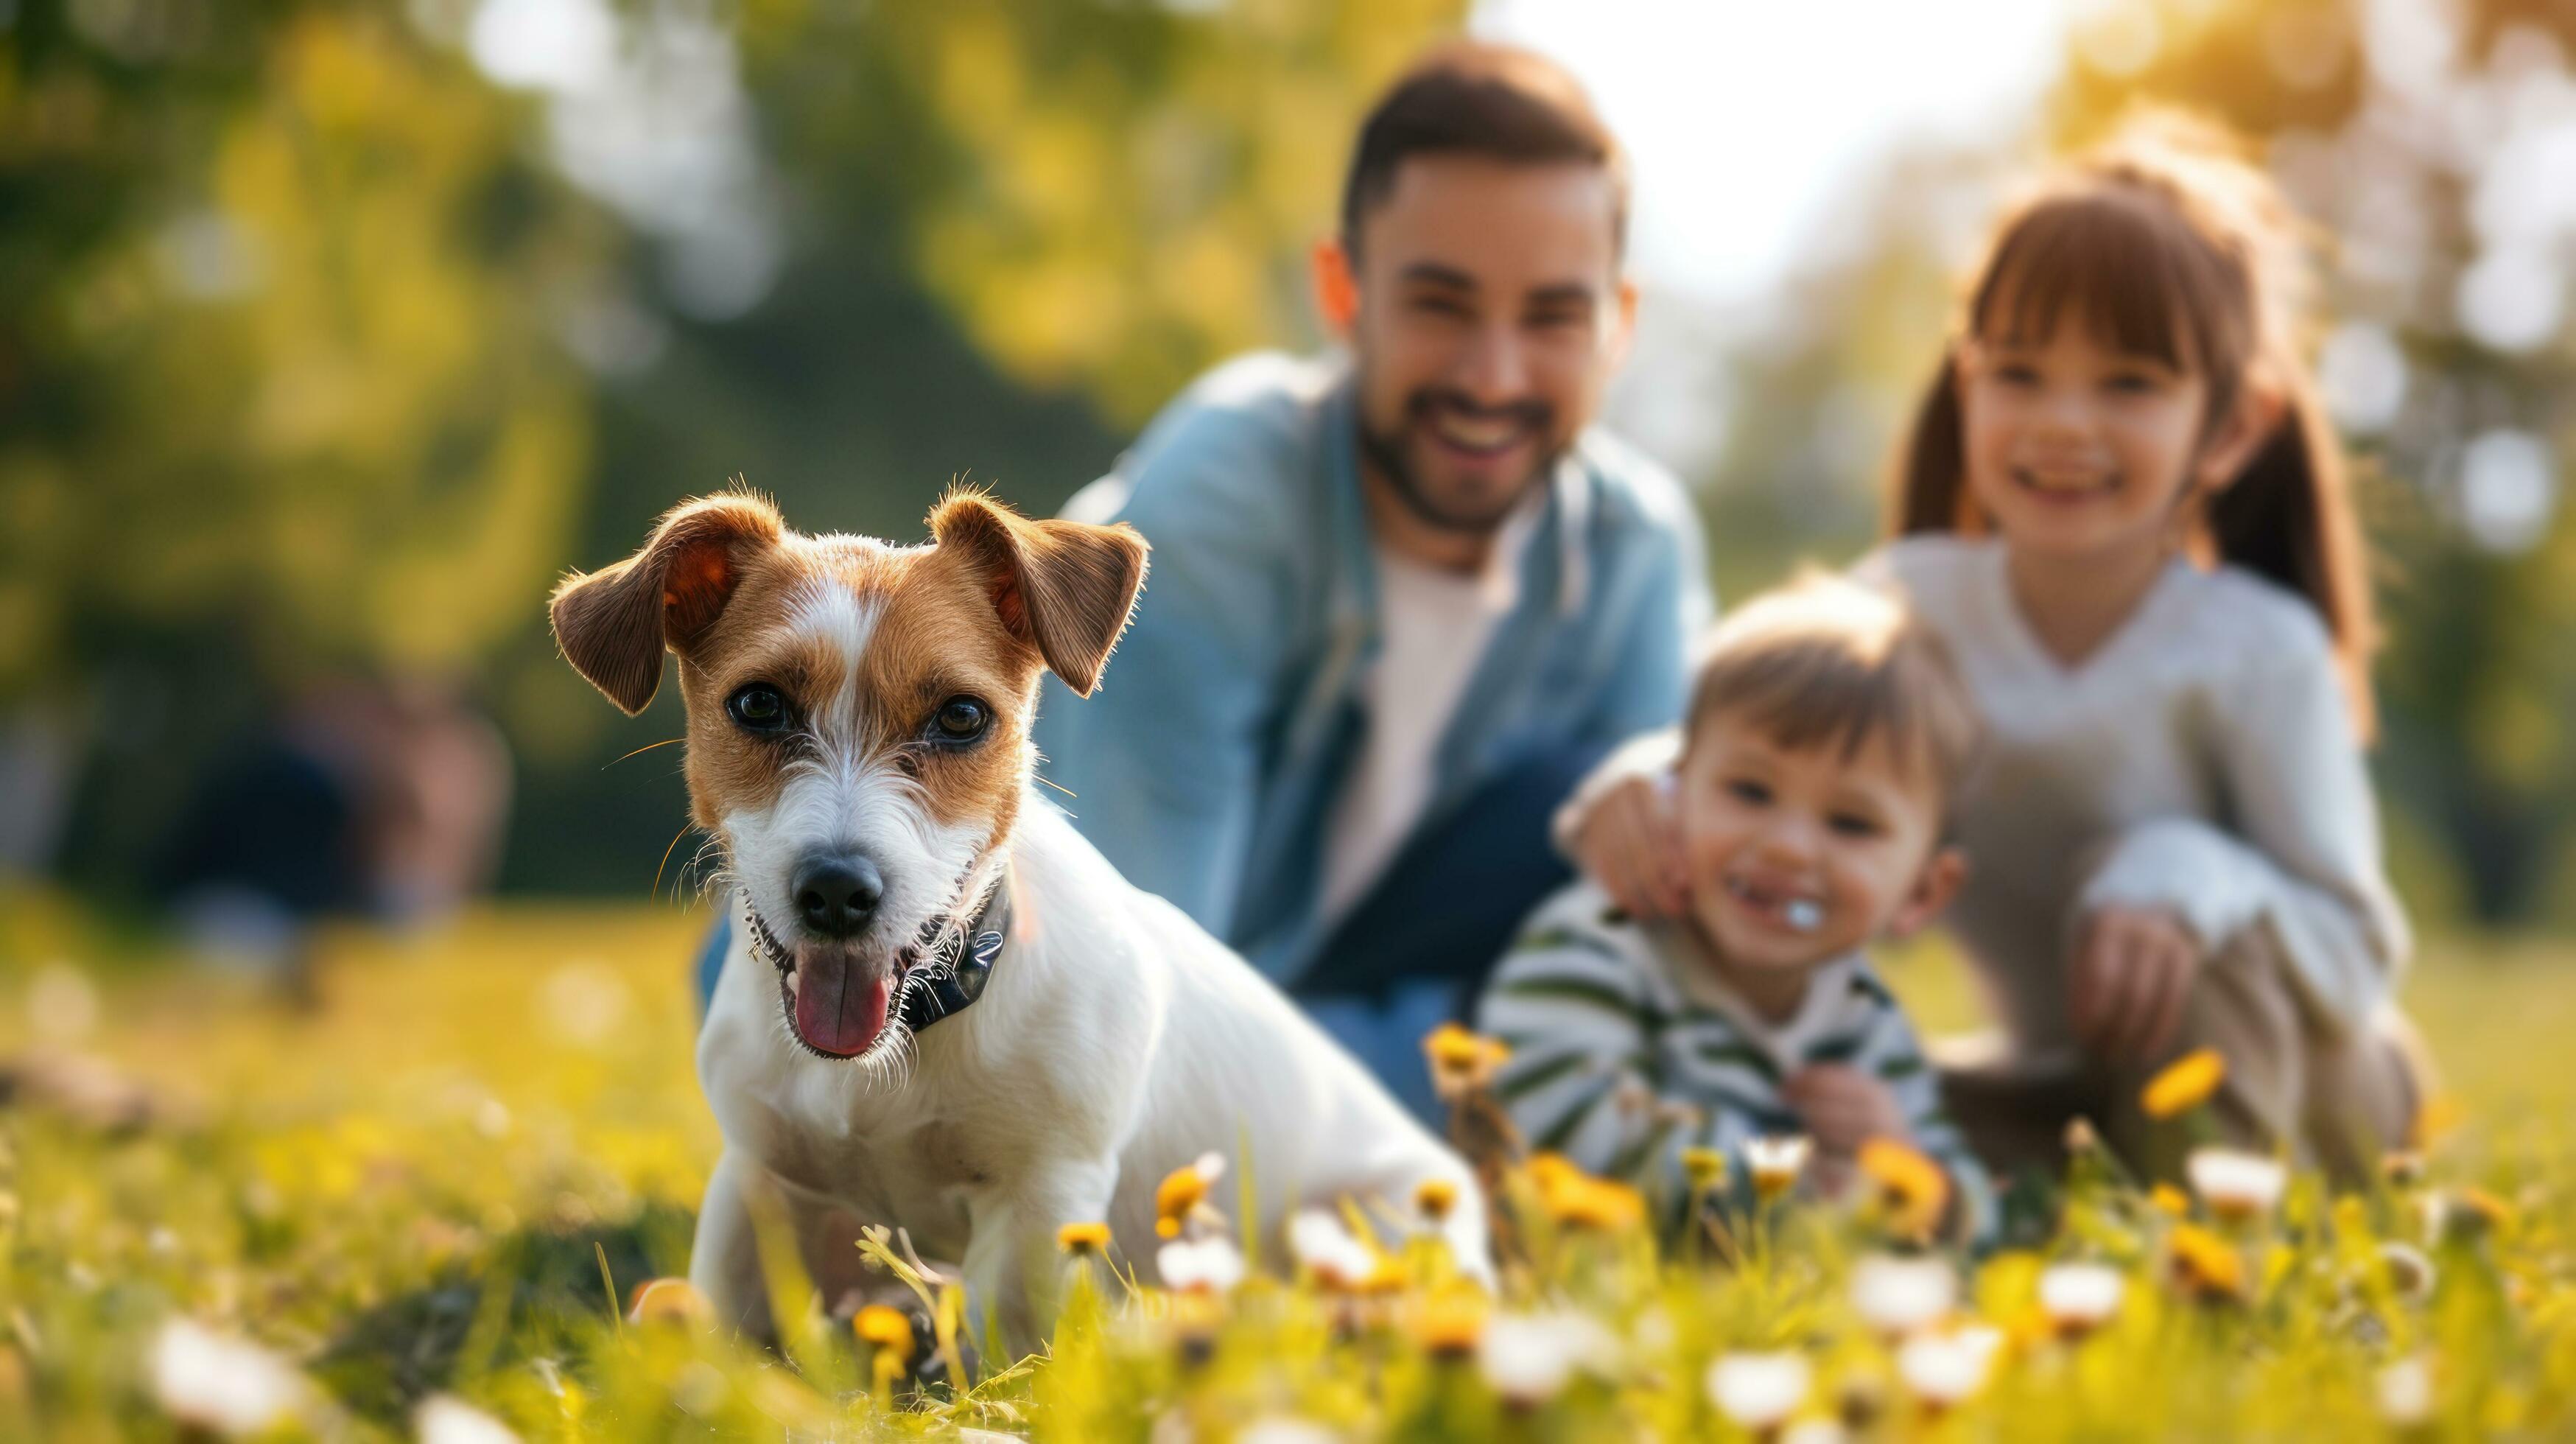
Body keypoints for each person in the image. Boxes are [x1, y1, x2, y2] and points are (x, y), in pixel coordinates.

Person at [1557, 116, 2424, 1184]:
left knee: (2175, 921)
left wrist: (2184, 871)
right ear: (1967, 384)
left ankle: (2204, 1276)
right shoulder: (1912, 608)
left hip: (2314, 1088)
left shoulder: (2256, 652)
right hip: (2052, 1091)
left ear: (2235, 426)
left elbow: (2356, 956)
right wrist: (1643, 788)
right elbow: (1749, 740)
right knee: (1847, 1126)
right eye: (2019, 374)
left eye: (2129, 384)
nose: (2063, 422)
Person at [1025, 42, 1710, 1121]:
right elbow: (1125, 1007)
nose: (1493, 376)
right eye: (1441, 304)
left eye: (1551, 318)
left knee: (1613, 799)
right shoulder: (1223, 501)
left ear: (1617, 322)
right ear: (1343, 291)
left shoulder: (1634, 545)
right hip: (964, 987)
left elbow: (1679, 950)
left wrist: (1655, 788)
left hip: (1321, 999)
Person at [1477, 575, 1991, 1241]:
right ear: (1674, 790)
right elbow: (1571, 1135)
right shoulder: (1597, 943)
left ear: (1923, 892)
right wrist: (1815, 1201)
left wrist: (1914, 1177)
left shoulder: (1865, 1019)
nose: (1785, 847)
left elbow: (1972, 1212)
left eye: (1850, 825)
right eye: (1749, 791)